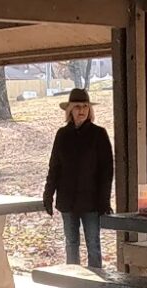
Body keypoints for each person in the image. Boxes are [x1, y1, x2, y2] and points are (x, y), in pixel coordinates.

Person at [42, 88, 114, 268]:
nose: (81, 110)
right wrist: (48, 194)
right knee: (71, 244)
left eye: (85, 106)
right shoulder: (62, 135)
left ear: (90, 109)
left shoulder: (99, 134)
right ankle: (73, 284)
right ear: (70, 110)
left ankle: (95, 286)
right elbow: (54, 167)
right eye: (77, 107)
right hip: (67, 200)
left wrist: (104, 201)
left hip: (91, 202)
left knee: (94, 246)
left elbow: (107, 171)